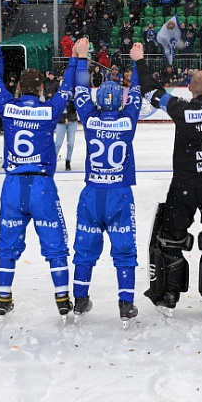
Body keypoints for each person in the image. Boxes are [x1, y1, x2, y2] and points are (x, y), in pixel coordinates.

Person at [0, 25, 76, 320]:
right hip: (42, 185)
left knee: (6, 246)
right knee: (55, 246)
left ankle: (3, 296)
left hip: (13, 185)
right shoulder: (49, 111)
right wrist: (75, 59)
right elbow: (69, 90)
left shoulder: (8, 107)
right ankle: (62, 298)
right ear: (40, 88)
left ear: (19, 88)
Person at [137, 42, 202, 318]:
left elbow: (151, 91)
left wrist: (140, 61)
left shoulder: (180, 109)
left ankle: (169, 294)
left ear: (190, 89)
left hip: (185, 185)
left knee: (170, 239)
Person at [66, 41, 144, 327]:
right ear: (119, 101)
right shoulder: (128, 120)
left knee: (85, 249)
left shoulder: (89, 118)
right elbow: (137, 92)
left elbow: (80, 92)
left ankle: (80, 300)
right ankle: (126, 305)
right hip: (120, 193)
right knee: (124, 250)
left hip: (92, 193)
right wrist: (137, 63)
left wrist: (83, 59)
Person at [54, 94, 78, 171]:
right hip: (60, 121)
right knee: (58, 142)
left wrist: (69, 117)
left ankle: (68, 161)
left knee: (70, 142)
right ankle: (52, 161)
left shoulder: (73, 96)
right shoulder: (59, 96)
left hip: (72, 120)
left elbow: (75, 107)